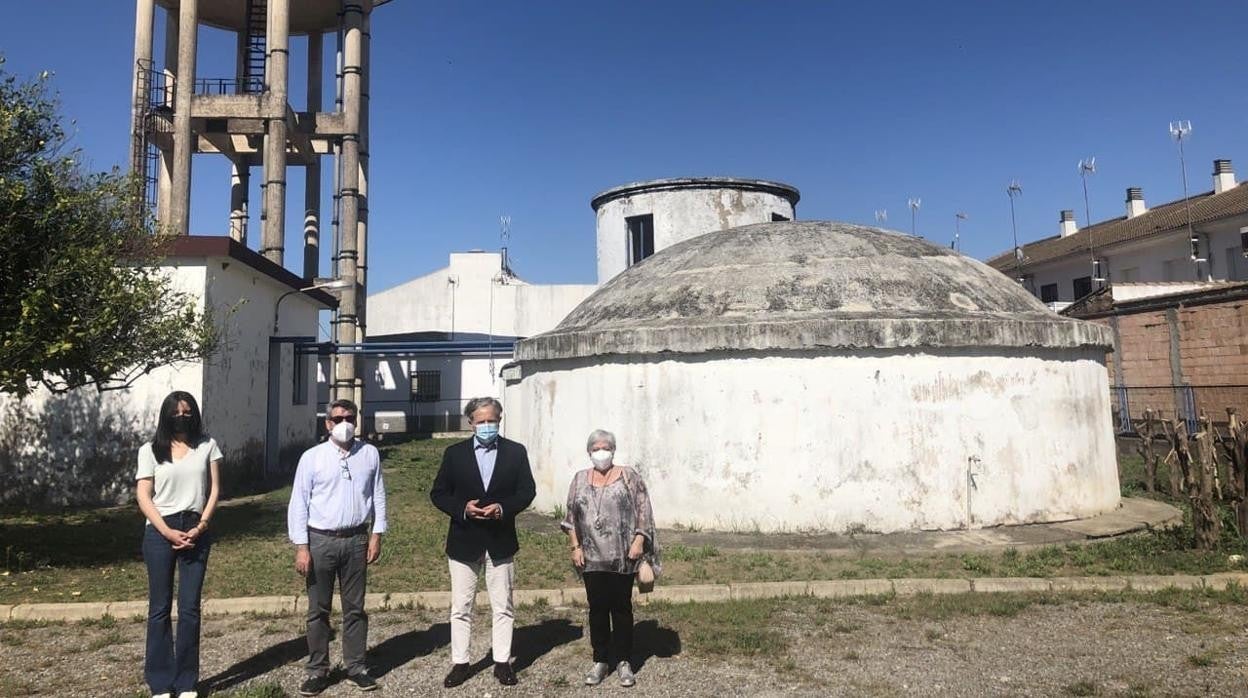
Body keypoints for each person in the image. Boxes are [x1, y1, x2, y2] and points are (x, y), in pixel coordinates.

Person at [430, 397, 536, 688]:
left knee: (503, 605)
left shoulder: (515, 452)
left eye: (492, 420)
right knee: (461, 606)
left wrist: (502, 508)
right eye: (481, 421)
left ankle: (502, 663)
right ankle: (460, 663)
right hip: (464, 541)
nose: (487, 425)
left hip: (500, 540)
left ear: (500, 420)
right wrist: (463, 508)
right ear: (471, 423)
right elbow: (438, 493)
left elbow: (526, 491)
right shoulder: (455, 454)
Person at [287, 399, 387, 696]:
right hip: (320, 541)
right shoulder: (312, 457)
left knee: (355, 609)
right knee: (318, 610)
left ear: (357, 420)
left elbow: (378, 495)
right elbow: (298, 503)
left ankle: (357, 667)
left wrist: (377, 534)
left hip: (356, 540)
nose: (344, 422)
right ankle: (318, 669)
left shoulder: (369, 454)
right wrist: (302, 547)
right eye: (338, 418)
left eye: (350, 417)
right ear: (327, 423)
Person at [136, 390, 222, 698]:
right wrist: (166, 531)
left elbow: (213, 490)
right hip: (160, 530)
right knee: (159, 608)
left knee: (189, 609)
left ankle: (187, 681)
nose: (182, 417)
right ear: (166, 415)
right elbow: (144, 496)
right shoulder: (151, 449)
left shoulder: (207, 445)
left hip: (195, 528)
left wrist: (201, 526)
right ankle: (160, 681)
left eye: (187, 412)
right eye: (176, 413)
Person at [561, 429, 659, 688]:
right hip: (591, 557)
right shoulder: (580, 479)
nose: (601, 452)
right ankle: (601, 659)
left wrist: (639, 540)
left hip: (623, 556)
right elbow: (570, 518)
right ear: (589, 451)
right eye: (596, 448)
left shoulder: (629, 476)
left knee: (622, 608)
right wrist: (575, 547)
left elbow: (644, 510)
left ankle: (624, 660)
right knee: (597, 609)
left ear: (614, 450)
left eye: (606, 447)